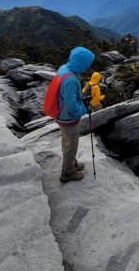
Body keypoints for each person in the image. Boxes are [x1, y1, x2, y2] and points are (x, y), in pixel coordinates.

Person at [56, 46, 95, 183]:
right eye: (87, 64)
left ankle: (71, 162)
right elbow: (71, 107)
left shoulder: (64, 69)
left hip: (60, 113)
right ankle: (67, 173)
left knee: (66, 142)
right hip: (68, 118)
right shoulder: (71, 80)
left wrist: (80, 99)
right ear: (80, 64)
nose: (88, 67)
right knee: (71, 144)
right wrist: (84, 109)